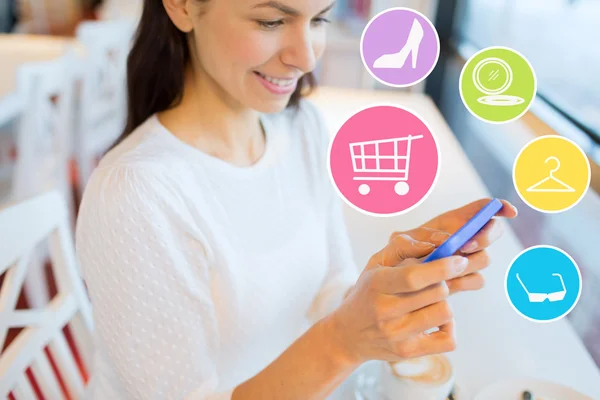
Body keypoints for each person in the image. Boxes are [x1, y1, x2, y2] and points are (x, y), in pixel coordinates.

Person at [74, 0, 518, 399]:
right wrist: (343, 341)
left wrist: (381, 292)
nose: (306, 57)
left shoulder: (299, 126)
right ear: (183, 7)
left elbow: (329, 289)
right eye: (271, 20)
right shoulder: (136, 194)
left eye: (320, 18)